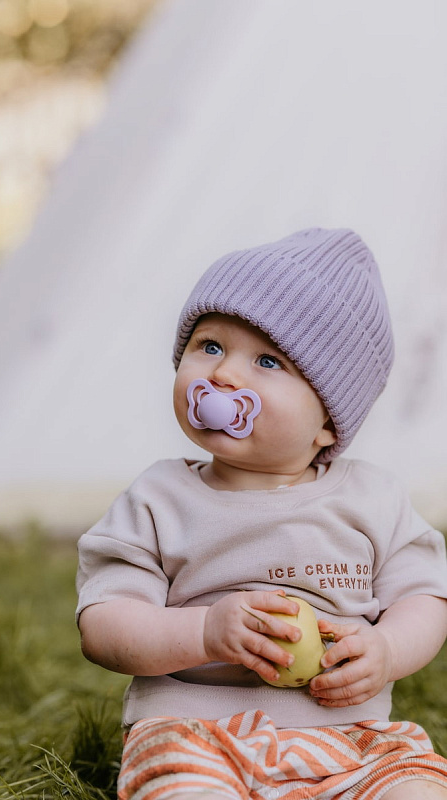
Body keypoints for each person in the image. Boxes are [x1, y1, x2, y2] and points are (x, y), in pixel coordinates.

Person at [76, 228, 447, 800]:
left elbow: (424, 599)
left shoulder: (374, 499)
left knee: (415, 784)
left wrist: (389, 649)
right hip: (196, 731)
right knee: (183, 788)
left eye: (268, 360)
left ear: (329, 422)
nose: (223, 375)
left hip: (351, 734)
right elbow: (104, 626)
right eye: (210, 346)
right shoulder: (157, 499)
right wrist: (204, 632)